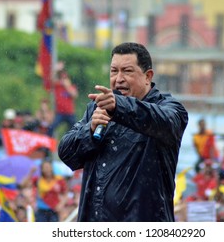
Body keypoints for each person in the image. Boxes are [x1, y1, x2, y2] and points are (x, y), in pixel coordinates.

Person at [58, 42, 188, 222]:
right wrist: (90, 130)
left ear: (147, 76)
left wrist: (119, 108)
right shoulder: (97, 109)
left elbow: (165, 122)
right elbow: (67, 154)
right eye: (114, 71)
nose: (118, 79)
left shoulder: (169, 109)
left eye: (127, 71)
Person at [47, 63, 78, 137]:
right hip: (60, 113)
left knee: (76, 129)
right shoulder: (57, 85)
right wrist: (56, 69)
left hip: (70, 113)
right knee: (51, 128)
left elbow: (74, 95)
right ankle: (48, 146)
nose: (63, 79)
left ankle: (74, 145)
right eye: (62, 77)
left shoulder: (71, 86)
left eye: (65, 77)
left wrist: (67, 86)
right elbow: (50, 79)